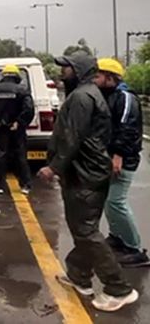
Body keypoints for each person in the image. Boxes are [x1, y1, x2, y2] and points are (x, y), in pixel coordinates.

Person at [37, 53, 138, 312]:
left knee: (86, 231)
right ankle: (79, 276)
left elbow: (73, 138)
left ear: (79, 70)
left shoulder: (82, 97)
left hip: (85, 175)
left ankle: (119, 288)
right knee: (83, 228)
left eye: (67, 68)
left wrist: (53, 167)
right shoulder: (87, 93)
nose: (62, 72)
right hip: (86, 173)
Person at [95, 58, 148, 267]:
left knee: (116, 201)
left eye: (98, 75)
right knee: (109, 200)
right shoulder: (109, 96)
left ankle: (135, 248)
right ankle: (117, 237)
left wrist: (117, 155)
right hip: (111, 156)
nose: (95, 79)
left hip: (123, 158)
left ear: (110, 77)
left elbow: (127, 128)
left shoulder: (125, 98)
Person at [0, 64, 34, 195]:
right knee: (20, 156)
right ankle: (26, 185)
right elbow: (29, 109)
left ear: (4, 76)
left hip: (0, 129)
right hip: (17, 129)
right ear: (16, 76)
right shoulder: (22, 91)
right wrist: (20, 122)